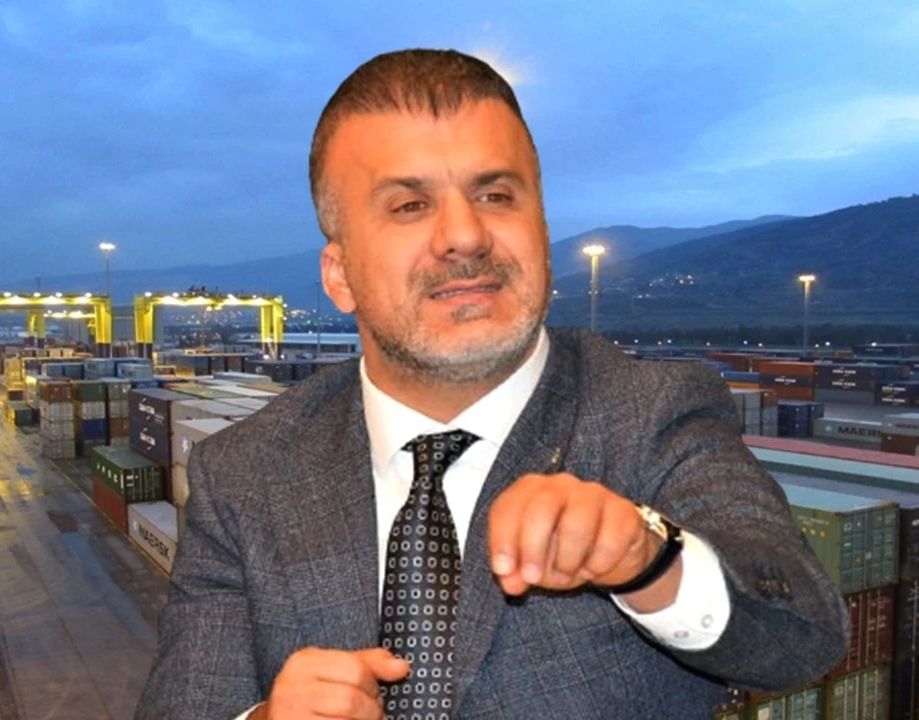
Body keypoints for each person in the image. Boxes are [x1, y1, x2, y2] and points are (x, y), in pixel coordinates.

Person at [137, 48, 849, 720]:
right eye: (409, 205)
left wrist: (648, 558)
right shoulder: (245, 472)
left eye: (497, 194)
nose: (466, 235)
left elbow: (802, 635)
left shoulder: (653, 411)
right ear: (339, 275)